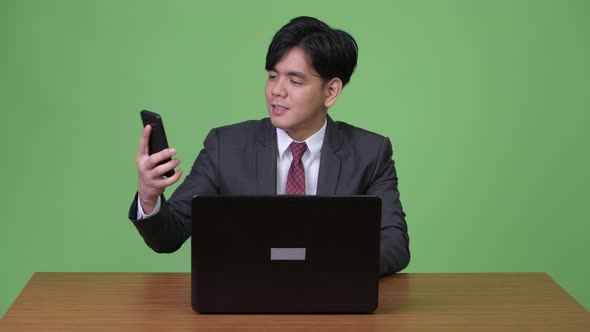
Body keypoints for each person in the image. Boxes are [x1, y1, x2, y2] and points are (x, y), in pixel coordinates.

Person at [129, 16, 410, 275]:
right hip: (246, 304)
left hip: (332, 302)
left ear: (331, 91)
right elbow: (170, 234)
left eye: (294, 80)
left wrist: (319, 264)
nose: (277, 90)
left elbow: (395, 245)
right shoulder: (224, 147)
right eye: (273, 76)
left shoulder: (370, 153)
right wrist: (149, 198)